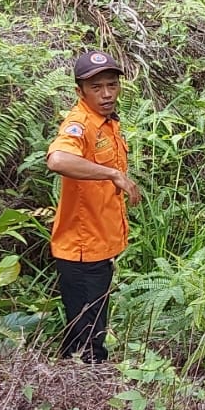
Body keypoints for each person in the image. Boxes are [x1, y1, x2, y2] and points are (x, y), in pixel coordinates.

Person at [45, 49, 141, 362]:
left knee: (87, 330)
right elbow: (58, 159)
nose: (106, 94)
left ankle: (73, 384)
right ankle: (86, 396)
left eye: (112, 85)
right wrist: (112, 173)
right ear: (80, 92)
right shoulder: (79, 124)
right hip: (82, 250)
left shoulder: (108, 124)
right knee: (88, 345)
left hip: (99, 247)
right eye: (96, 88)